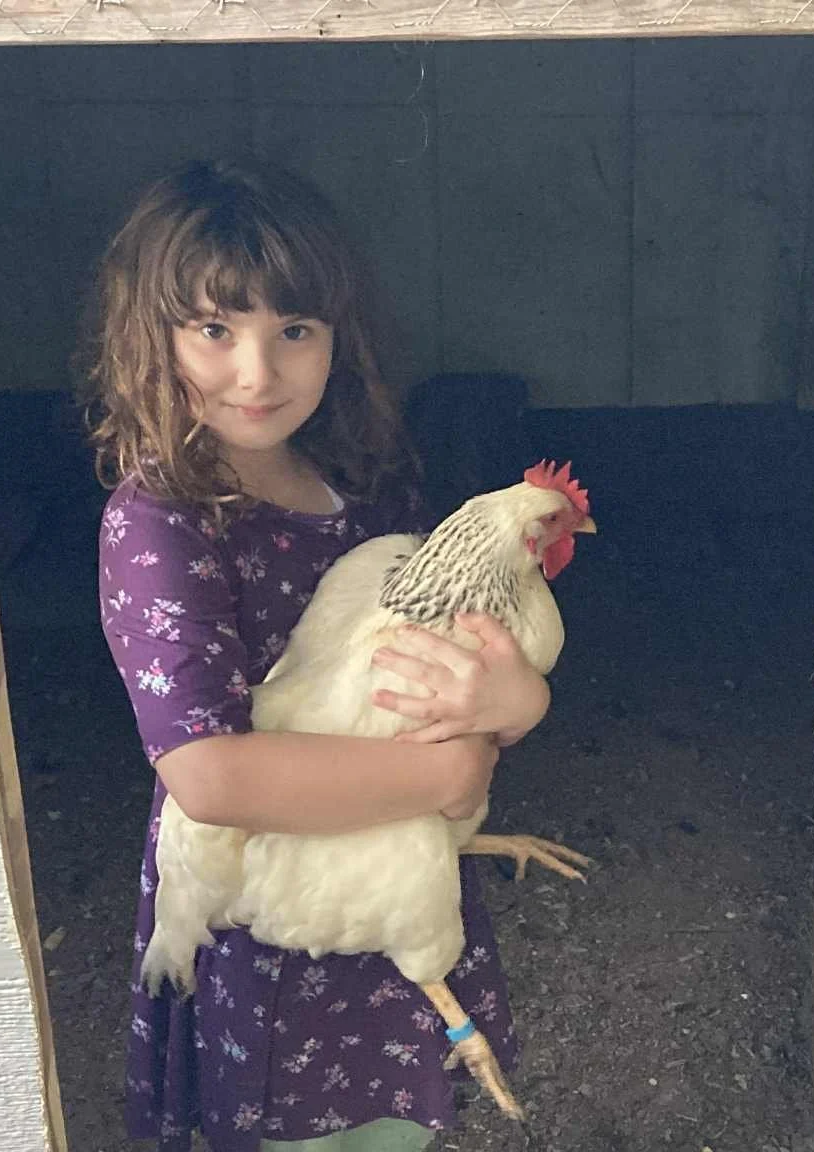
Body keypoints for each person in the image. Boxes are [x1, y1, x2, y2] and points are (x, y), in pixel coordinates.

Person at [82, 159, 548, 1151]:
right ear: (151, 336)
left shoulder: (371, 494)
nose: (256, 371)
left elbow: (460, 671)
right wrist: (450, 767)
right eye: (214, 329)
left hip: (388, 880)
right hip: (265, 926)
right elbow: (207, 771)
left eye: (293, 330)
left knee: (387, 1126)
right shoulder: (163, 523)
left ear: (339, 339)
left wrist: (516, 703)